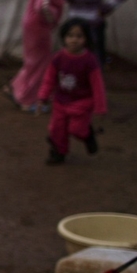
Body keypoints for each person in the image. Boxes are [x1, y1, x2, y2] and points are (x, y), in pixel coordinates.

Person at [5, 0, 79, 114]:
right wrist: (53, 20)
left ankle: (16, 87)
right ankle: (25, 99)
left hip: (35, 26)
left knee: (34, 61)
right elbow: (42, 6)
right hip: (39, 28)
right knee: (40, 63)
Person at [38, 18, 107, 165]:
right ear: (64, 38)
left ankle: (88, 135)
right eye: (70, 36)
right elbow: (50, 79)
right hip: (61, 100)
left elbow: (97, 86)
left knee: (77, 130)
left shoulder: (89, 61)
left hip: (82, 102)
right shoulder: (58, 58)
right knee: (58, 129)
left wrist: (100, 107)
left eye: (79, 36)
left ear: (86, 39)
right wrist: (43, 96)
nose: (74, 40)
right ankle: (58, 153)